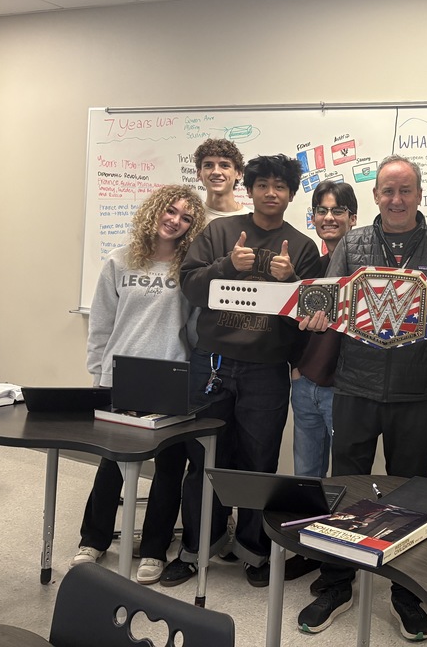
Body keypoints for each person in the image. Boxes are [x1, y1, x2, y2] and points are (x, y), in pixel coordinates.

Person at [296, 155, 427, 641]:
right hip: (355, 385)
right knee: (345, 488)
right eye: (387, 191)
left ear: (419, 194)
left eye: (406, 190)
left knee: (409, 497)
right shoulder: (352, 242)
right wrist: (316, 316)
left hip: (416, 390)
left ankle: (404, 592)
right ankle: (336, 583)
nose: (396, 200)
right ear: (375, 196)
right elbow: (329, 304)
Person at [160, 154, 322, 588]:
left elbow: (310, 319)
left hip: (266, 371)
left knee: (258, 464)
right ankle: (198, 548)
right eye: (263, 185)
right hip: (211, 364)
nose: (271, 193)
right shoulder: (219, 231)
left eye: (281, 186)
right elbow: (191, 286)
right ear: (248, 190)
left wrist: (291, 285)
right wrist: (229, 265)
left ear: (291, 193)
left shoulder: (303, 248)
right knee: (204, 460)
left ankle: (254, 549)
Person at [74, 184, 205, 585]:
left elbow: (196, 329)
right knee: (112, 463)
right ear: (155, 211)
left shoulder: (189, 268)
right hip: (122, 374)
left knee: (168, 467)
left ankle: (153, 550)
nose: (176, 221)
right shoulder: (119, 260)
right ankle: (92, 540)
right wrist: (99, 372)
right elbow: (101, 323)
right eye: (171, 211)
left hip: (171, 377)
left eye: (186, 217)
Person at [285, 180, 358, 580]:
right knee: (306, 474)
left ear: (353, 218)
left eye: (338, 211)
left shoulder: (364, 261)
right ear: (313, 217)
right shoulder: (307, 260)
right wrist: (296, 367)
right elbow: (287, 320)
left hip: (342, 388)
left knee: (341, 478)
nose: (329, 218)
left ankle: (338, 558)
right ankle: (307, 549)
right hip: (305, 383)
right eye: (322, 211)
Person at [193, 138, 249, 223]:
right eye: (208, 165)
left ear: (238, 174)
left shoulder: (251, 220)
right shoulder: (190, 218)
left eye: (224, 165)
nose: (216, 172)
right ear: (199, 174)